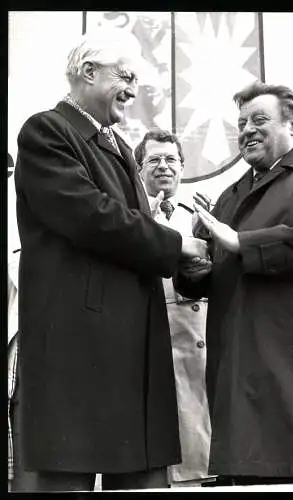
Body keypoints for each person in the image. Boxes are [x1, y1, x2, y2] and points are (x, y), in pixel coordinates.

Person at [12, 33, 208, 492]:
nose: (133, 89)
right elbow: (91, 215)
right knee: (68, 474)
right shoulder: (47, 131)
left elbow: (128, 228)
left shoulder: (118, 145)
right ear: (88, 72)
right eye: (126, 76)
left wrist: (201, 261)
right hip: (80, 343)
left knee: (141, 473)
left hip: (129, 343)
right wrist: (175, 244)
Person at [175, 81, 293, 485]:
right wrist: (193, 271)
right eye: (241, 123)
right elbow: (224, 271)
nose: (246, 130)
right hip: (241, 371)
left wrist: (239, 241)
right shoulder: (230, 195)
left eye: (259, 119)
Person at [134, 129, 215, 487]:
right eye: (154, 160)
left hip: (198, 342)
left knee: (200, 442)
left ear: (183, 168)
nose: (164, 167)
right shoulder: (129, 217)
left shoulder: (196, 215)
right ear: (138, 170)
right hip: (153, 341)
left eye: (172, 160)